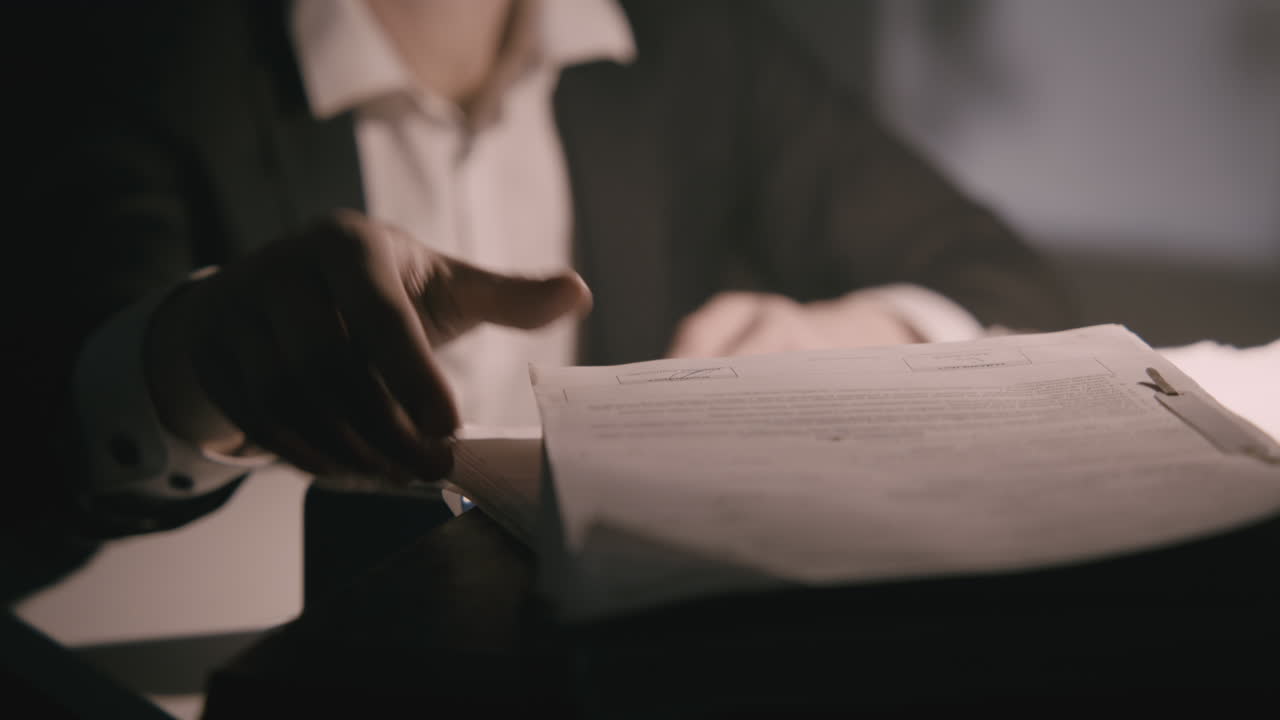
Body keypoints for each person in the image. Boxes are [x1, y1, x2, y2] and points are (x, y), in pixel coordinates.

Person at [7, 0, 1072, 604]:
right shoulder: (131, 48)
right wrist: (200, 357)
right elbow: (51, 418)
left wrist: (850, 335)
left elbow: (994, 276)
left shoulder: (689, 43)